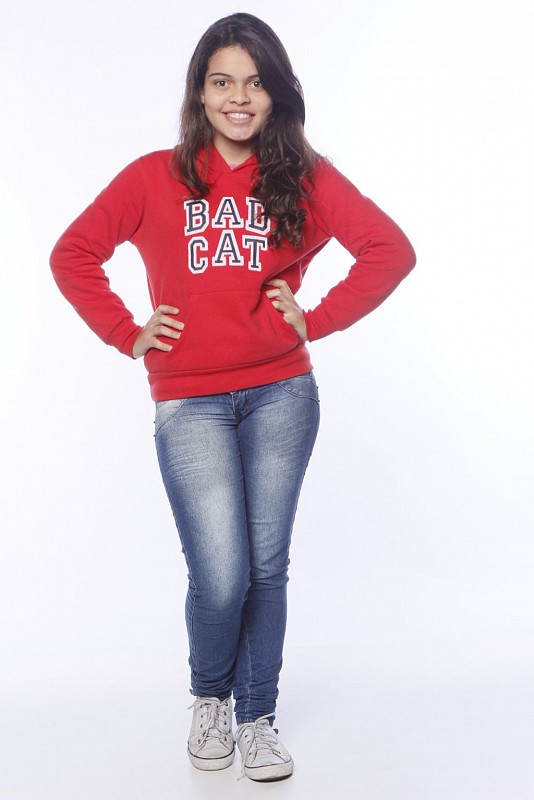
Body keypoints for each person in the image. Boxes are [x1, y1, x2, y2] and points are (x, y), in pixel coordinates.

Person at [50, 12, 416, 782]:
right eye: (222, 82)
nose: (238, 98)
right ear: (200, 92)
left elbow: (390, 250)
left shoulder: (304, 176)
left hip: (282, 393)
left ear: (277, 93)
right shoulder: (153, 176)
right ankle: (209, 700)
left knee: (267, 568)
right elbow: (73, 253)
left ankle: (257, 718)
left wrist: (315, 319)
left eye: (254, 83)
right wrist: (127, 333)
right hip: (189, 401)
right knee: (221, 574)